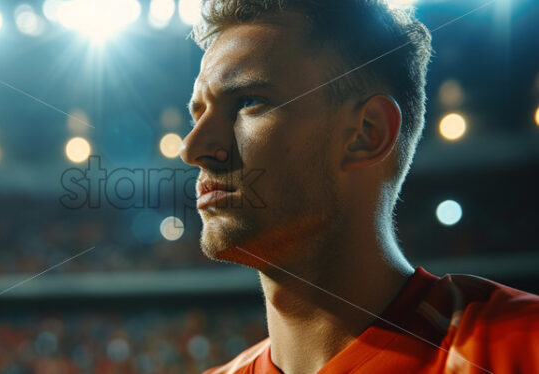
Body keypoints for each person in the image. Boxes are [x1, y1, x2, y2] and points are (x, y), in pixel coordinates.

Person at [179, 1, 539, 373]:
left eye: (248, 102)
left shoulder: (523, 348)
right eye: (199, 112)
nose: (193, 148)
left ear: (368, 133)